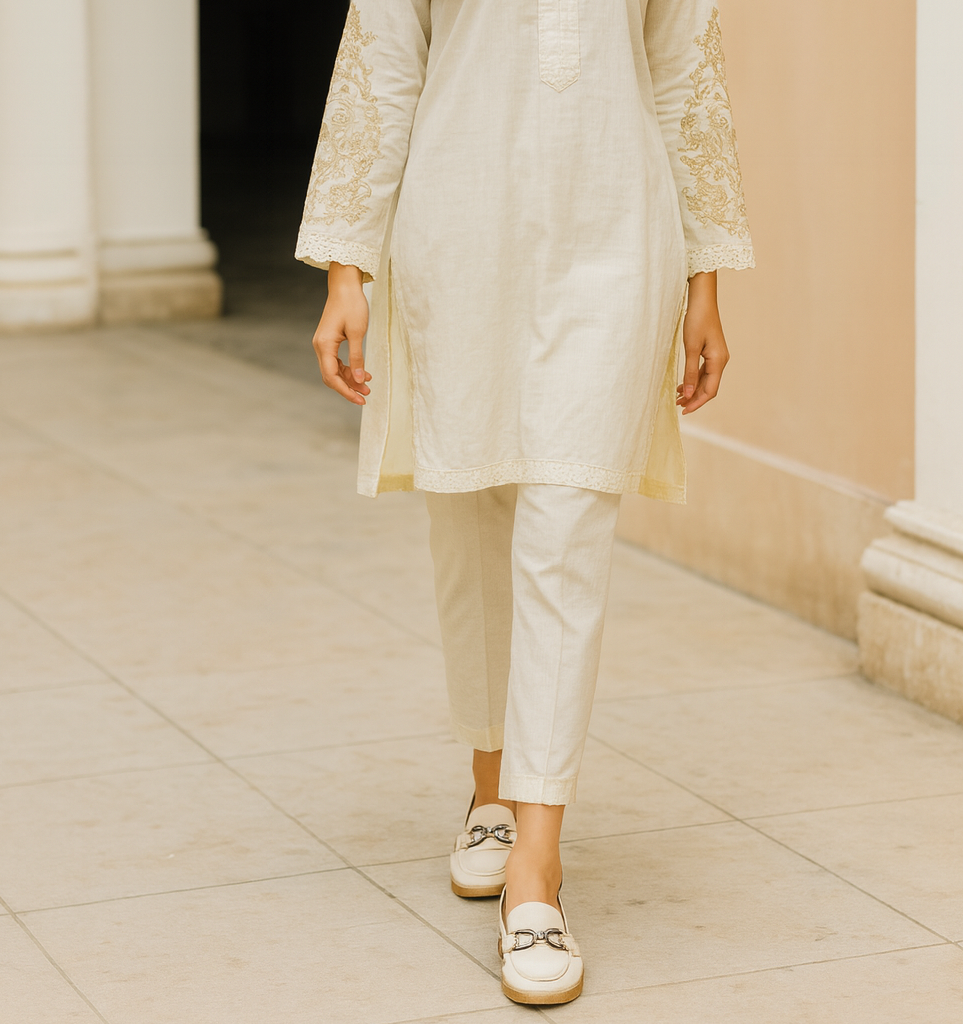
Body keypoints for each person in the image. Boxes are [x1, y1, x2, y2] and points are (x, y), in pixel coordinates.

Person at [297, 1, 753, 1005]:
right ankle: (490, 792)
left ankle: (535, 872)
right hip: (456, 228)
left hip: (618, 236)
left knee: (567, 525)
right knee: (469, 518)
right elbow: (383, 65)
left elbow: (685, 74)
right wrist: (346, 269)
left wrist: (706, 277)